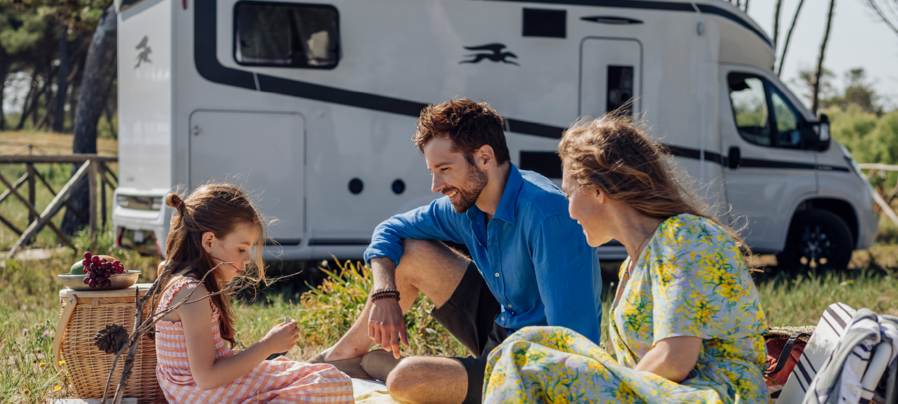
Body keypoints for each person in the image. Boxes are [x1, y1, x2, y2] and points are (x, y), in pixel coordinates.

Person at [310, 99, 602, 403]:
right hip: (501, 326)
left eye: (445, 169)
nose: (437, 185)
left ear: (485, 158)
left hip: (535, 362)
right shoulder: (466, 204)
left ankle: (384, 368)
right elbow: (389, 230)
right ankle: (340, 359)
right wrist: (384, 293)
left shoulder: (547, 216)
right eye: (433, 171)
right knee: (411, 253)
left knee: (406, 381)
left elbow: (574, 344)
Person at [482, 113, 769, 403]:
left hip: (716, 395)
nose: (568, 211)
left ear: (598, 190)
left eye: (569, 194)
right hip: (668, 394)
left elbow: (675, 359)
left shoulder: (684, 236)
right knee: (524, 344)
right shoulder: (634, 265)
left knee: (527, 362)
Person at [153, 183, 354, 403]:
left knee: (325, 378)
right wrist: (267, 345)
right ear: (209, 241)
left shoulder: (182, 282)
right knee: (331, 383)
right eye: (241, 249)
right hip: (209, 394)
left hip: (211, 392)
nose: (247, 259)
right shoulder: (192, 293)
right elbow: (206, 378)